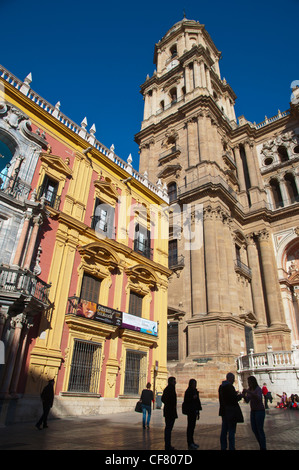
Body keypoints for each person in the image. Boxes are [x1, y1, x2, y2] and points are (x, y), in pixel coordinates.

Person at [218, 372, 243, 450]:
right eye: (233, 379)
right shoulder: (229, 387)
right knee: (231, 431)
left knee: (224, 430)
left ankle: (223, 447)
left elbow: (226, 397)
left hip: (223, 411)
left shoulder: (221, 387)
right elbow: (233, 399)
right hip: (231, 411)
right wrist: (240, 396)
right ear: (230, 378)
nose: (234, 380)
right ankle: (231, 447)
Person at [242, 375, 267, 450]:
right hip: (253, 411)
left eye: (250, 382)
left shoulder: (258, 389)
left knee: (260, 429)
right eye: (248, 382)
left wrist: (249, 392)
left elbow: (258, 397)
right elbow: (247, 400)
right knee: (254, 429)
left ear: (253, 382)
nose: (249, 384)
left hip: (259, 411)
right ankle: (261, 444)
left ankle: (263, 447)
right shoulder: (250, 389)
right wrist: (243, 396)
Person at [183, 379, 202, 450]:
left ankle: (192, 442)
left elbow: (197, 402)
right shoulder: (188, 391)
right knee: (190, 428)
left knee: (192, 427)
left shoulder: (195, 391)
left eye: (195, 384)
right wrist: (192, 398)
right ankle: (190, 443)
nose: (195, 385)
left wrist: (198, 411)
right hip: (190, 411)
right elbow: (186, 401)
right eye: (194, 384)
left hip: (194, 411)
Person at [162, 376, 177, 451]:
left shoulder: (169, 389)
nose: (175, 382)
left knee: (168, 428)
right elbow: (163, 399)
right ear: (171, 382)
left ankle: (168, 445)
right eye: (174, 381)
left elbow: (163, 399)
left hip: (169, 411)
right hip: (170, 412)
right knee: (168, 429)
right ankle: (167, 445)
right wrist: (170, 405)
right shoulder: (169, 389)